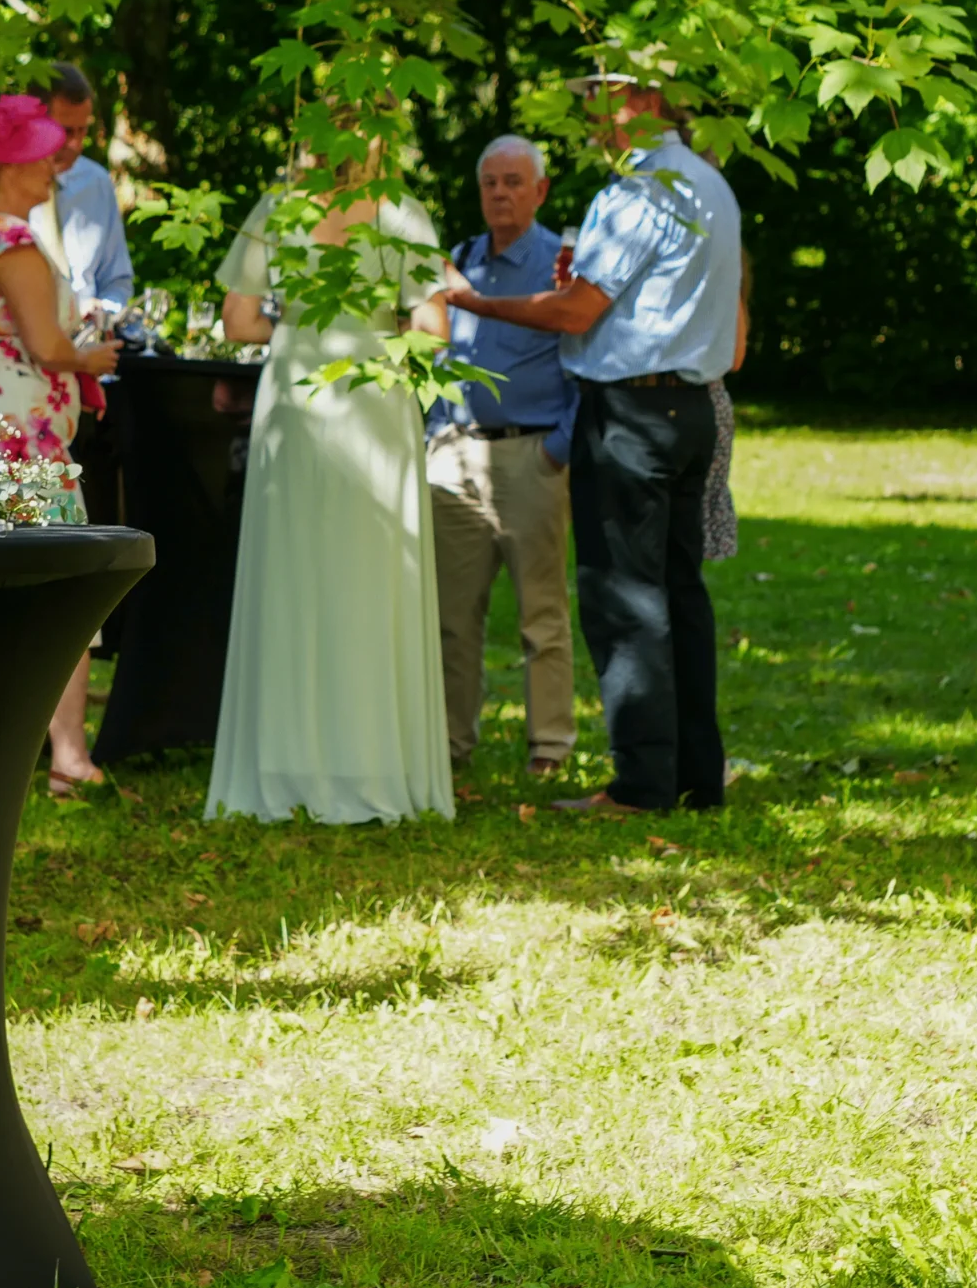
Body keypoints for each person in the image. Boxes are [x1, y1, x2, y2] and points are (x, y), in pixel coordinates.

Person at [443, 70, 743, 815]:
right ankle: (695, 778)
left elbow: (575, 313)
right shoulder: (710, 182)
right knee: (679, 593)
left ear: (645, 99)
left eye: (601, 97)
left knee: (625, 600)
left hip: (632, 412)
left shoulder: (639, 189)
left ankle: (641, 786)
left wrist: (471, 300)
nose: (590, 114)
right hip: (691, 409)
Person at [207, 161, 455, 825]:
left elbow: (238, 322)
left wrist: (301, 331)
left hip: (295, 393)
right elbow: (434, 330)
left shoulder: (279, 206)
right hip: (376, 391)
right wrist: (367, 333)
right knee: (375, 576)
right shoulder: (400, 210)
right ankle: (376, 763)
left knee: (293, 574)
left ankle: (286, 763)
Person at [0, 93, 123, 795]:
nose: (53, 166)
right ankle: (69, 755)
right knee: (61, 587)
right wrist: (91, 356)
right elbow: (46, 345)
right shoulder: (11, 242)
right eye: (40, 156)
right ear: (6, 167)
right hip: (25, 442)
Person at [426, 134, 579, 777]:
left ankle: (549, 746)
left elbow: (583, 360)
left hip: (530, 456)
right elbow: (436, 352)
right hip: (454, 457)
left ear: (540, 191)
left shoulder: (562, 266)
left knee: (541, 614)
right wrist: (434, 434)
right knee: (451, 617)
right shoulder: (459, 260)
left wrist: (557, 450)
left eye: (514, 182)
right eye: (490, 182)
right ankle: (448, 744)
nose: (500, 194)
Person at [29, 61, 133, 319]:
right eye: (65, 132)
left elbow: (116, 280)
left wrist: (103, 311)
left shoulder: (97, 182)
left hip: (86, 338)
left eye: (83, 130)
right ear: (35, 122)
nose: (76, 144)